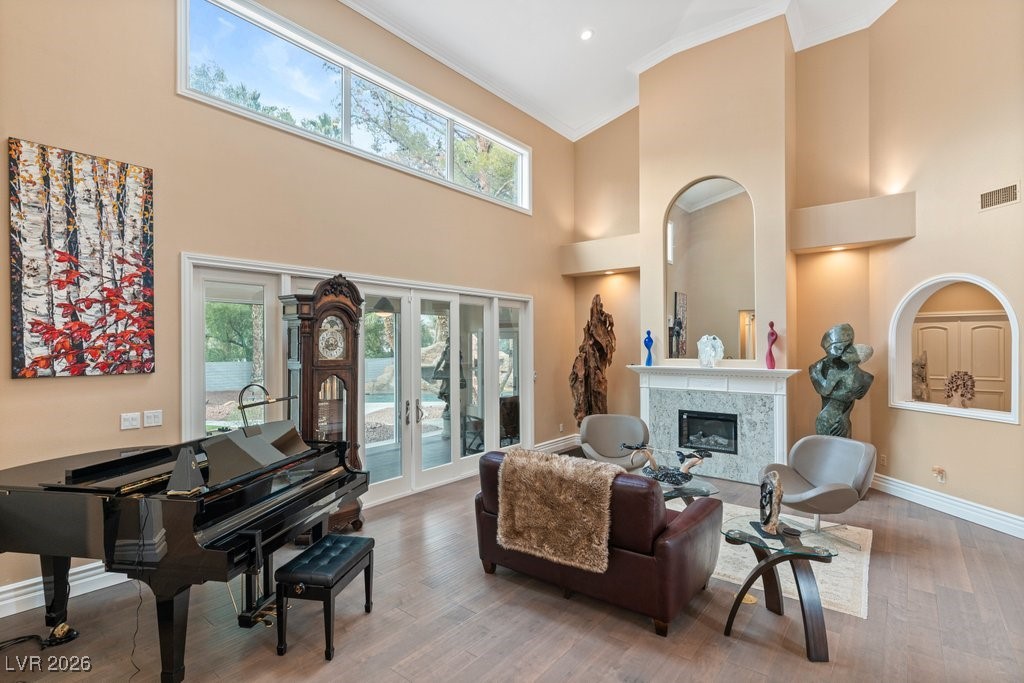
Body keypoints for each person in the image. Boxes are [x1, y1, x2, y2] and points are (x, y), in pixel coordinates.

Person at [808, 323, 873, 438]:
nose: (843, 351)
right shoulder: (817, 368)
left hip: (842, 421)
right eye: (839, 347)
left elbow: (851, 399)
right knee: (826, 446)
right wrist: (848, 396)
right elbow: (825, 392)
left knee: (844, 446)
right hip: (826, 418)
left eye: (847, 347)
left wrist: (845, 417)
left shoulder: (864, 377)